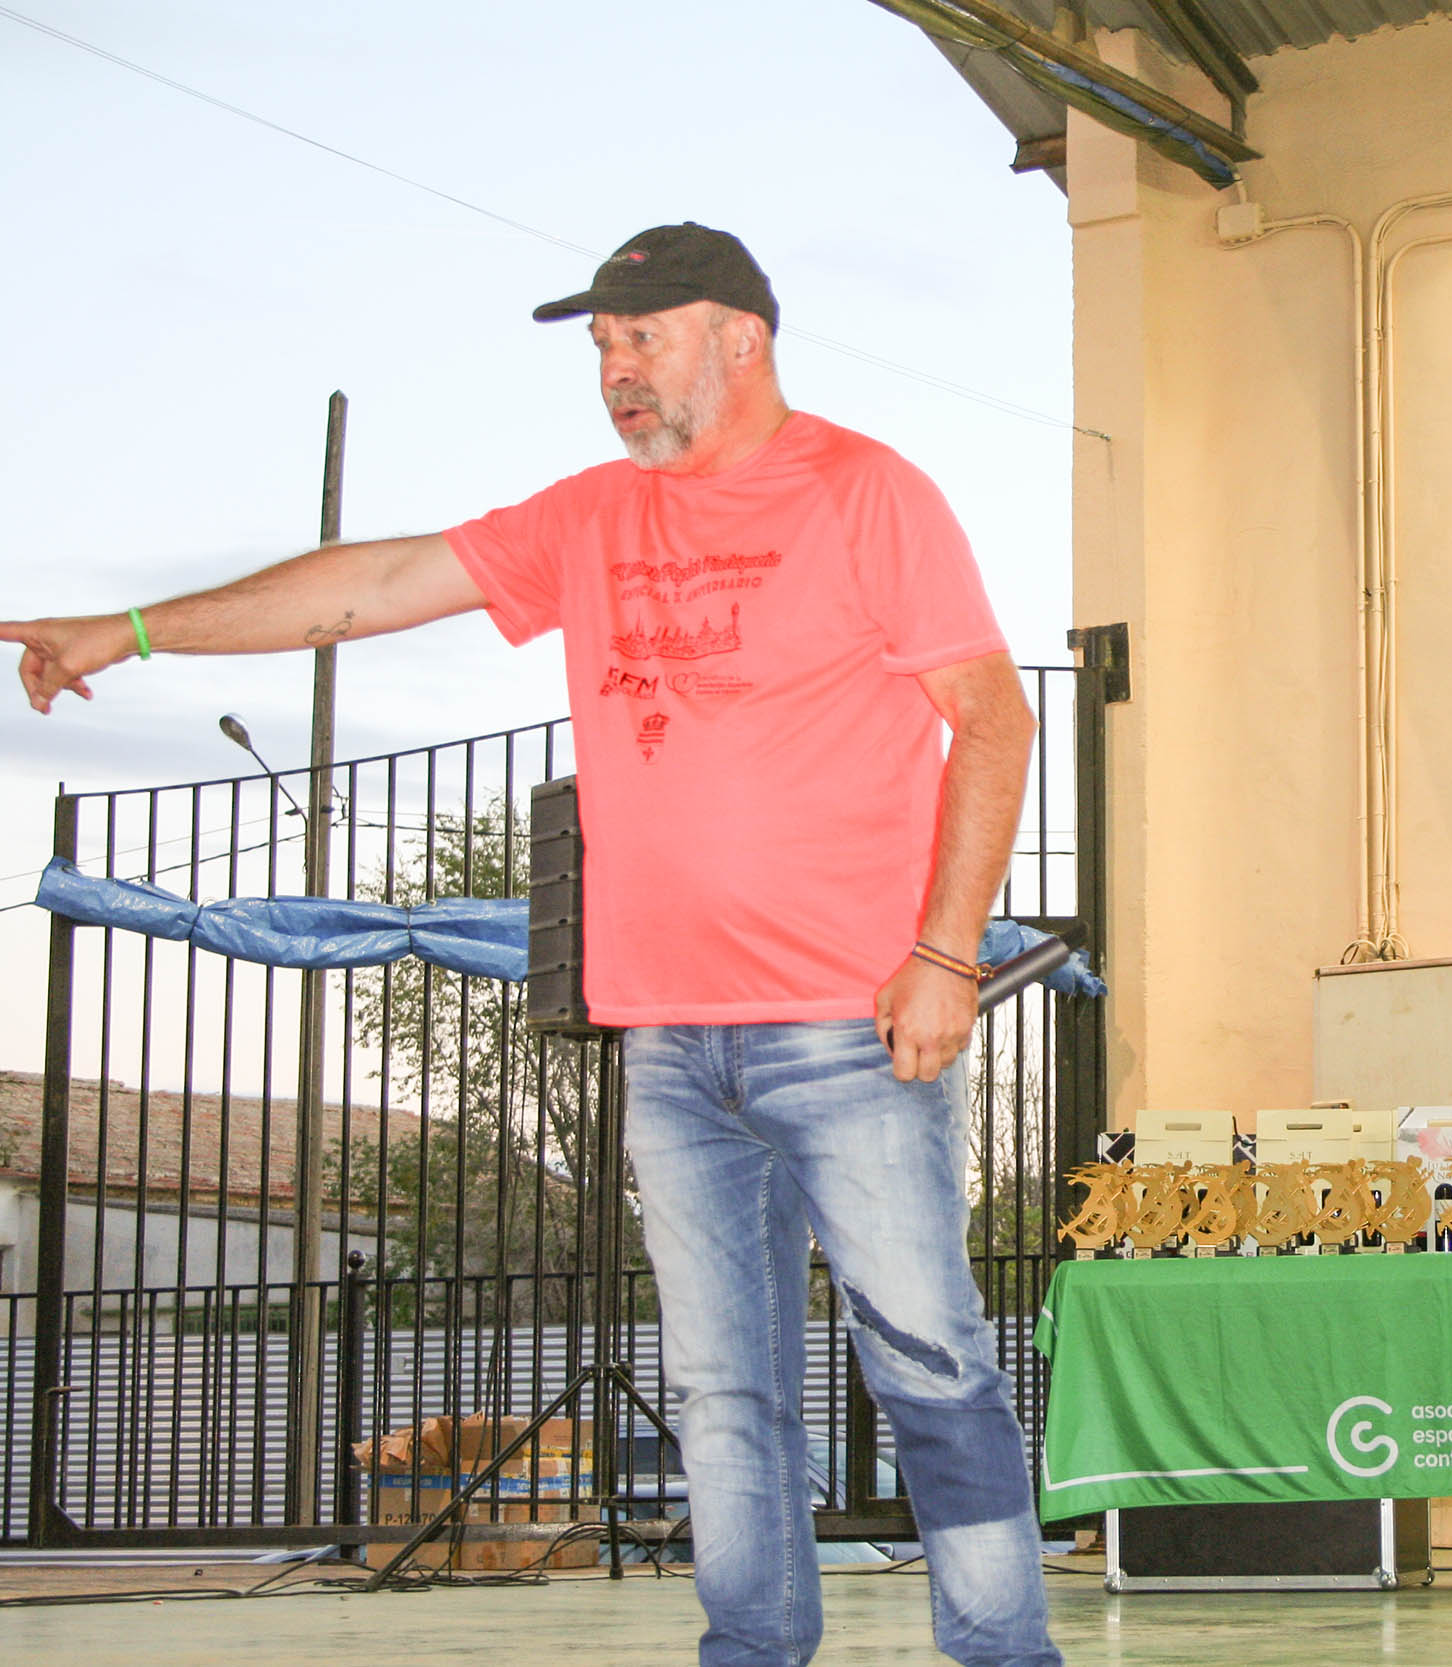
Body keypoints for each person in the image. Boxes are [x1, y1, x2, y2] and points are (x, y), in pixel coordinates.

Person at [0, 223, 1062, 1667]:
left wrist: (943, 958)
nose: (616, 370)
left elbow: (993, 719)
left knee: (930, 1366)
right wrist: (128, 629)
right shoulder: (590, 518)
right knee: (723, 1398)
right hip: (669, 1039)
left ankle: (1006, 1654)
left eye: (642, 338)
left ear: (740, 338)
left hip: (848, 1025)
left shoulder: (865, 491)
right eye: (602, 347)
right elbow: (372, 583)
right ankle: (752, 1653)